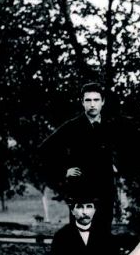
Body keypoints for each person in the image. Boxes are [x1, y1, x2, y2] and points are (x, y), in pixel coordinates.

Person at [38, 82, 115, 220]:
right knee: (80, 237)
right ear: (82, 102)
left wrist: (117, 165)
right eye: (88, 100)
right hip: (81, 192)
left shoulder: (112, 125)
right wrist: (63, 171)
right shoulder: (72, 127)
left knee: (102, 236)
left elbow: (129, 148)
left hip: (105, 192)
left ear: (103, 102)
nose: (92, 104)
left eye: (96, 100)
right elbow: (44, 150)